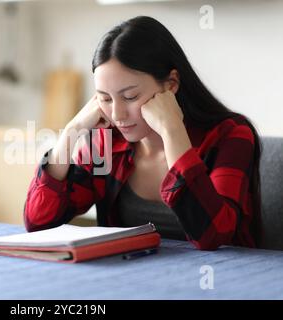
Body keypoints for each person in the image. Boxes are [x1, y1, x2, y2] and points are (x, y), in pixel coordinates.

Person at [23, 16, 262, 250]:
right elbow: (39, 223)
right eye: (104, 98)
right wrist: (70, 133)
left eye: (130, 97)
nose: (117, 114)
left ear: (171, 84)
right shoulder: (105, 141)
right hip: (132, 282)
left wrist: (172, 130)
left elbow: (214, 235)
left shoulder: (230, 135)